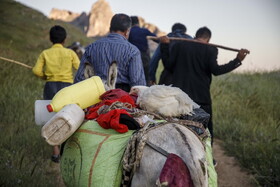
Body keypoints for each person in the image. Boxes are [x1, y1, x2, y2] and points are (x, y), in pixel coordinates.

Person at [160, 26, 249, 148]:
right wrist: (237, 60)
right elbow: (216, 70)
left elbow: (168, 66)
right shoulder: (210, 49)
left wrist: (164, 46)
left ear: (196, 36)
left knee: (178, 129)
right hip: (201, 98)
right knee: (205, 131)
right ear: (208, 39)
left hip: (179, 98)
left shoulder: (180, 45)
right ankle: (208, 158)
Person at [32, 25, 80, 163]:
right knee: (67, 115)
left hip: (51, 85)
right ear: (65, 39)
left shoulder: (45, 53)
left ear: (50, 39)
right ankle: (66, 146)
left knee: (51, 116)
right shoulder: (70, 53)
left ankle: (55, 152)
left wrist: (45, 76)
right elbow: (79, 67)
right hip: (67, 88)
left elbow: (36, 71)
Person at [75, 13, 146, 91]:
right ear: (127, 31)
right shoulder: (133, 51)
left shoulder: (91, 47)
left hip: (95, 96)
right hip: (121, 98)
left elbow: (79, 78)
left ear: (110, 29)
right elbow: (138, 85)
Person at [128, 16, 156, 84]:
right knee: (146, 77)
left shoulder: (129, 32)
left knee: (133, 76)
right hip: (144, 57)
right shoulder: (144, 31)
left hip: (132, 57)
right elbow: (156, 38)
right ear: (138, 23)